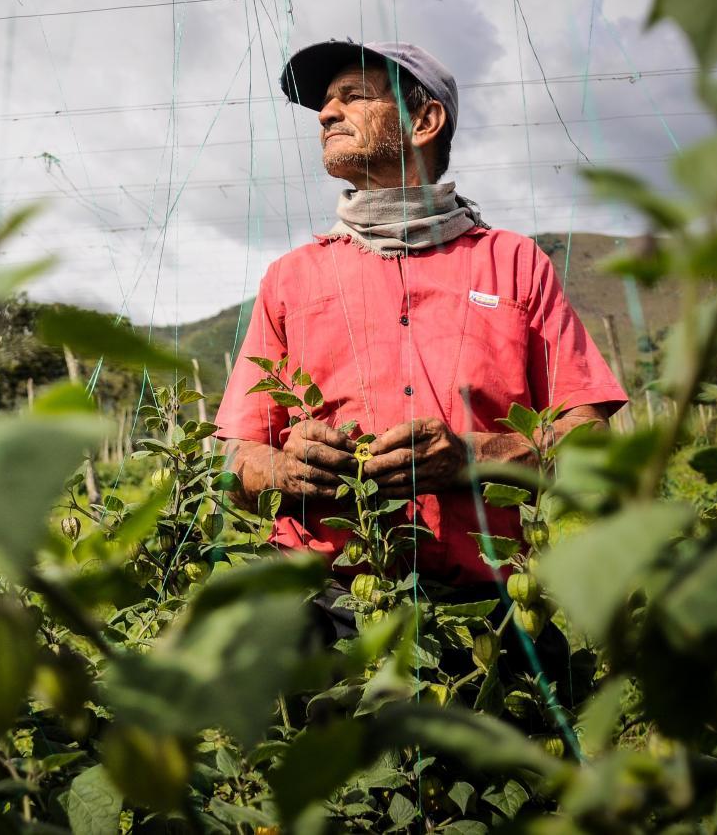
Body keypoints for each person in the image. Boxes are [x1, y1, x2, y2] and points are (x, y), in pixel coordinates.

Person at [214, 39, 627, 643]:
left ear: (425, 120)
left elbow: (589, 442)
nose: (327, 114)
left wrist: (469, 458)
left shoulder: (513, 264)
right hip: (323, 610)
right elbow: (232, 458)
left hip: (482, 613)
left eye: (352, 97)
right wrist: (281, 469)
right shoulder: (292, 277)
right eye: (325, 104)